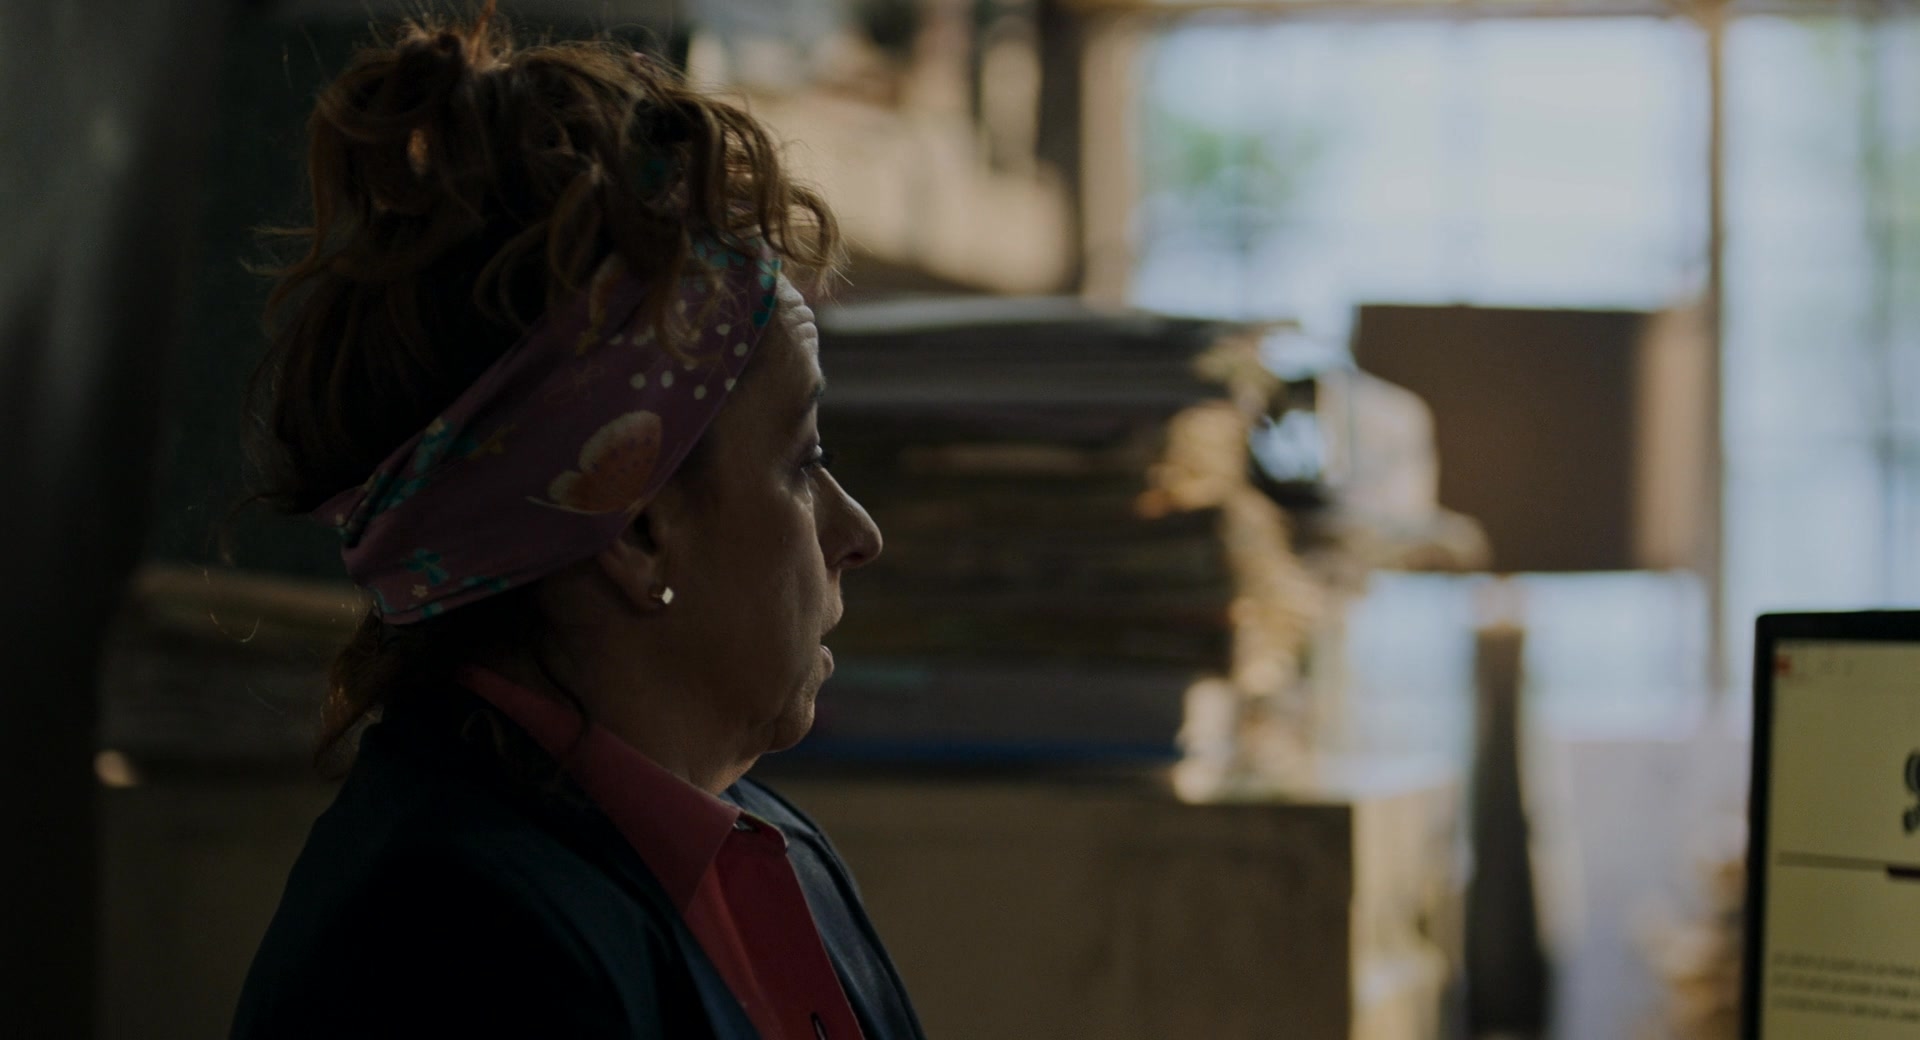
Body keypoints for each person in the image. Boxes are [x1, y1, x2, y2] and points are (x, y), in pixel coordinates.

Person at [229, 9, 923, 1039]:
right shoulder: (447, 956)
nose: (857, 532)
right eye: (802, 459)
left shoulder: (763, 851)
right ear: (637, 528)